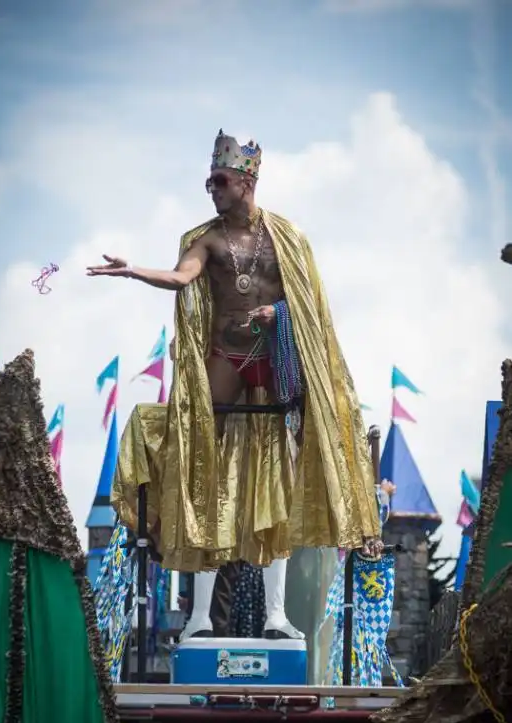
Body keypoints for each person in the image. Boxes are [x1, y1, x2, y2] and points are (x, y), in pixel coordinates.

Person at [87, 129, 383, 641]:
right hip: (226, 357)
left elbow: (313, 313)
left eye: (220, 180)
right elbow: (182, 280)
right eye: (209, 182)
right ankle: (199, 616)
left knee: (275, 487)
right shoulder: (205, 238)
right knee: (200, 462)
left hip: (273, 365)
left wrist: (280, 314)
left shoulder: (287, 238)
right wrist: (132, 270)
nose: (212, 190)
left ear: (248, 180)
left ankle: (276, 616)